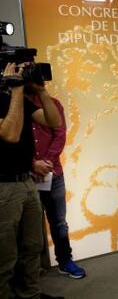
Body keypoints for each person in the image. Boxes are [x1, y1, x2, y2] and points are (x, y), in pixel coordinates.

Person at [0, 62, 64, 299]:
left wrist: (41, 90)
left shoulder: (17, 100)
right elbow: (10, 134)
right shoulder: (13, 98)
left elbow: (53, 121)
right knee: (5, 253)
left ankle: (30, 294)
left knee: (32, 245)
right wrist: (16, 90)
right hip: (3, 186)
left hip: (26, 182)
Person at [27, 89, 86, 279]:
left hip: (53, 174)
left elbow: (60, 133)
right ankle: (30, 270)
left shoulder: (52, 104)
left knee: (59, 222)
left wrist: (47, 162)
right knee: (28, 226)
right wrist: (31, 164)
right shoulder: (12, 106)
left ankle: (64, 261)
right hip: (24, 175)